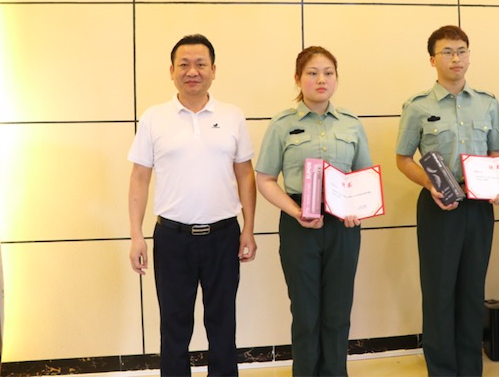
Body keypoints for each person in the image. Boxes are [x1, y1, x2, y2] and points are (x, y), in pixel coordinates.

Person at [127, 33, 257, 377]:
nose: (192, 71)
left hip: (223, 235)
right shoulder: (154, 117)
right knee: (174, 325)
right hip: (172, 238)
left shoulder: (232, 116)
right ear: (171, 71)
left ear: (214, 70)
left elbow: (245, 174)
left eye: (201, 64)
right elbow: (139, 178)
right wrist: (136, 235)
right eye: (183, 64)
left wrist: (249, 229)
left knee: (222, 323)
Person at [395, 25, 499, 376]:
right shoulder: (418, 106)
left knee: (472, 290)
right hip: (438, 205)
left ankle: (470, 368)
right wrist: (429, 184)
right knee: (439, 291)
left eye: (461, 51)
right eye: (447, 52)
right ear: (433, 60)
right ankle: (442, 370)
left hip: (479, 205)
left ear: (469, 56)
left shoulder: (487, 103)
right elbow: (403, 159)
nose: (455, 58)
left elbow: (497, 153)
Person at [255, 46, 373, 376]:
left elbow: (364, 177)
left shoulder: (351, 123)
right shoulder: (282, 124)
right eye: (312, 73)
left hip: (343, 225)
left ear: (336, 78)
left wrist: (357, 207)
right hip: (299, 224)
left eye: (328, 73)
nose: (321, 79)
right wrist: (296, 212)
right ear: (298, 78)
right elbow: (265, 179)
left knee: (338, 311)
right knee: (306, 312)